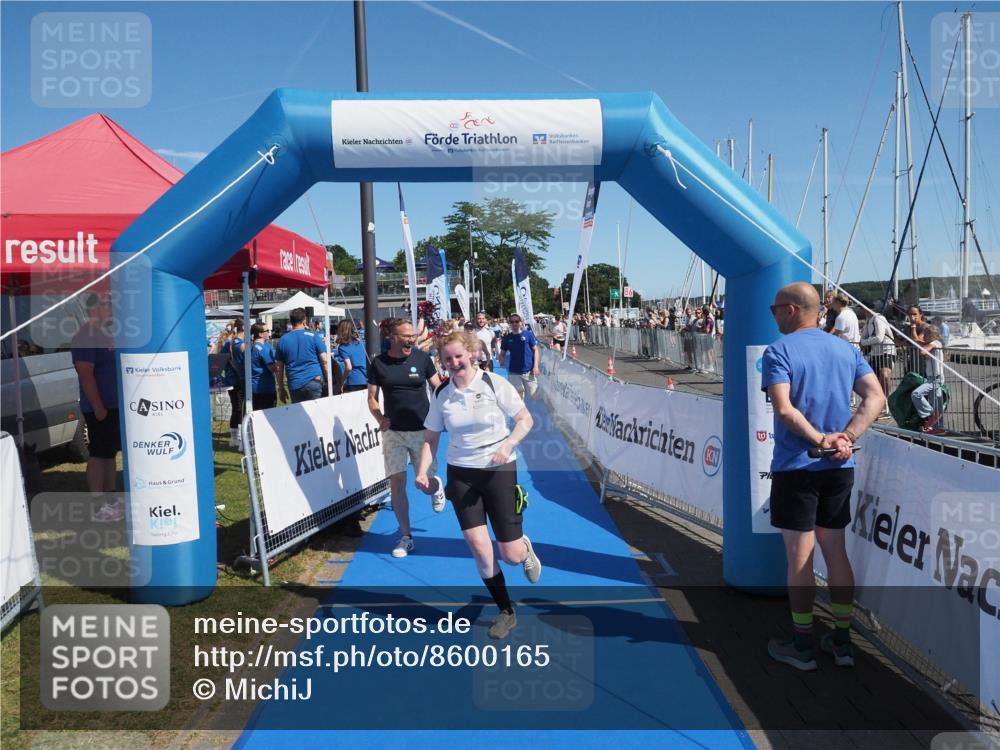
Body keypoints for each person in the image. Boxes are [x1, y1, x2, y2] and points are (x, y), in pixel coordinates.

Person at [761, 282, 884, 671]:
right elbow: (876, 397)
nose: (773, 314)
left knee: (800, 558)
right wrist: (845, 438)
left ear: (792, 309)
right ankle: (843, 642)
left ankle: (802, 647)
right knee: (836, 552)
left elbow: (784, 410)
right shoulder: (846, 349)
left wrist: (822, 440)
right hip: (838, 468)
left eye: (775, 308)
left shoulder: (778, 350)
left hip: (800, 466)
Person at [415, 331, 540, 640]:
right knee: (480, 549)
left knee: (508, 555)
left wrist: (509, 444)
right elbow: (431, 437)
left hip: (498, 469)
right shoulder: (442, 394)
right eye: (447, 359)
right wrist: (422, 471)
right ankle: (506, 611)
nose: (454, 363)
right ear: (441, 362)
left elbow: (525, 420)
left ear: (470, 353)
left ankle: (524, 549)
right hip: (461, 474)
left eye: (458, 356)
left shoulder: (494, 383)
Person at [367, 318, 447, 557]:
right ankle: (406, 537)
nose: (411, 339)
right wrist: (379, 417)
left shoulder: (422, 359)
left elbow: (438, 387)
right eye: (406, 335)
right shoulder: (379, 364)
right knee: (397, 484)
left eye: (413, 335)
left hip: (423, 431)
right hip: (393, 433)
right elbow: (371, 397)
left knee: (423, 485)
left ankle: (436, 487)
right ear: (392, 337)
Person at [71, 294, 123, 521]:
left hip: (114, 404)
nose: (112, 307)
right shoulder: (85, 335)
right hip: (99, 406)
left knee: (110, 453)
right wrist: (98, 406)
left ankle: (110, 499)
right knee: (98, 454)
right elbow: (85, 374)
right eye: (107, 304)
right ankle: (97, 504)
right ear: (95, 308)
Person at [275, 308, 329, 403]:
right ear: (304, 321)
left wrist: (281, 388)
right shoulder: (314, 336)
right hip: (314, 380)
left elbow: (279, 368)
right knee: (318, 415)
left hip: (295, 383)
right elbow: (324, 360)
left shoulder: (283, 340)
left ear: (291, 321)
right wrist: (329, 380)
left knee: (300, 416)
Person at [859, 303, 896, 411]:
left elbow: (879, 337)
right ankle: (877, 402)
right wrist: (863, 340)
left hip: (887, 351)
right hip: (875, 353)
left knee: (884, 374)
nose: (863, 311)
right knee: (871, 378)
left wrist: (864, 342)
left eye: (863, 309)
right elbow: (864, 336)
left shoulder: (878, 318)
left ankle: (886, 401)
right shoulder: (869, 321)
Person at [911, 324, 945, 434]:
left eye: (926, 334)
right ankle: (938, 428)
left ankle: (931, 415)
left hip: (936, 378)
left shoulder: (936, 343)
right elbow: (917, 342)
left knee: (916, 394)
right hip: (932, 378)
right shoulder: (931, 344)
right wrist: (913, 328)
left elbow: (923, 352)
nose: (924, 336)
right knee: (937, 403)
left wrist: (923, 347)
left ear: (932, 335)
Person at [499, 314, 540, 400]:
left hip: (529, 372)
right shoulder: (507, 338)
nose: (514, 323)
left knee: (534, 396)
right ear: (509, 323)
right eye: (512, 322)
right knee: (518, 397)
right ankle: (522, 412)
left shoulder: (528, 334)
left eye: (516, 321)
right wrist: (501, 361)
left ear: (521, 323)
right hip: (514, 372)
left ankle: (534, 413)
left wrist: (536, 366)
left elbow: (535, 350)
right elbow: (502, 353)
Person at [248, 323, 278, 410]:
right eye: (267, 331)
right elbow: (272, 368)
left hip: (255, 388)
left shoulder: (253, 346)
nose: (269, 333)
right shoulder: (262, 348)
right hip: (264, 388)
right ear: (260, 334)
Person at [337, 320, 368, 393]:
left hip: (354, 381)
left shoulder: (343, 347)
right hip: (366, 378)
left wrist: (342, 382)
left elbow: (349, 367)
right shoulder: (361, 343)